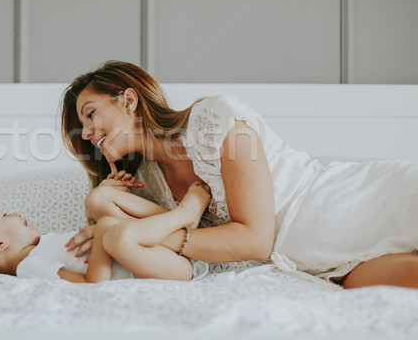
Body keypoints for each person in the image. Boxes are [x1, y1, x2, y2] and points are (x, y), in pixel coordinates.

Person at [61, 60, 418, 289]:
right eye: (82, 126)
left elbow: (255, 240)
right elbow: (125, 248)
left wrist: (140, 235)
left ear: (128, 100)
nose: (88, 133)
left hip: (352, 204)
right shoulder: (146, 186)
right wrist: (101, 204)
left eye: (90, 114)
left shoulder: (216, 119)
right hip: (322, 268)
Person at [0, 179, 210, 283]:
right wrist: (104, 227)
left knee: (98, 198)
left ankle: (182, 223)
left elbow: (90, 250)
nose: (15, 214)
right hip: (168, 268)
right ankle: (184, 215)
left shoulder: (42, 246)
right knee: (115, 235)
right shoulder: (30, 266)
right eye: (4, 215)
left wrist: (105, 202)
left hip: (159, 253)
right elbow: (92, 284)